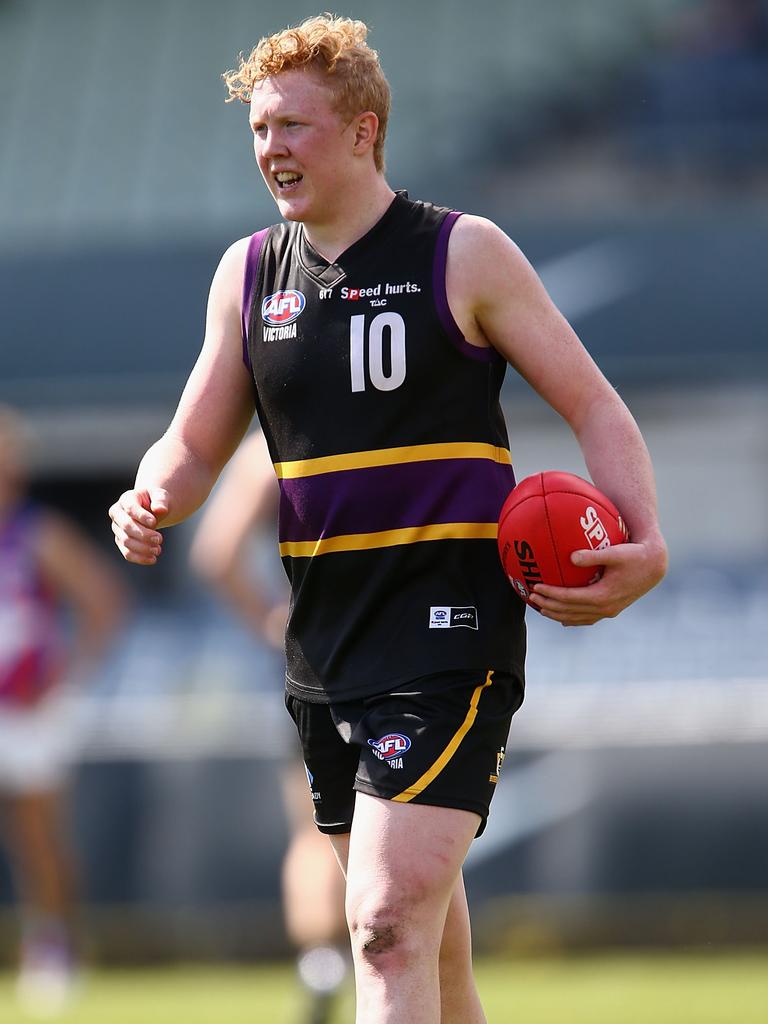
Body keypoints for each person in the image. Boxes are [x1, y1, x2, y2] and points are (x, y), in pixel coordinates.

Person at [108, 15, 668, 1023]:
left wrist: (645, 541)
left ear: (364, 131)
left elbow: (596, 406)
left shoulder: (463, 252)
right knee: (431, 953)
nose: (271, 146)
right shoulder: (247, 277)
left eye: (293, 124)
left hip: (451, 632)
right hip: (326, 644)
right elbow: (189, 446)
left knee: (381, 922)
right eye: (259, 128)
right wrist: (149, 495)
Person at [189, 429, 348, 1024]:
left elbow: (216, 552)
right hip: (387, 645)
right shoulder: (344, 424)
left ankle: (322, 961)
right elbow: (218, 552)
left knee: (315, 827)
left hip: (313, 654)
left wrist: (271, 622)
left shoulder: (271, 445)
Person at [0, 405, 127, 1016]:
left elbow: (103, 599)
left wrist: (69, 671)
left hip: (26, 708)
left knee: (36, 834)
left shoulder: (35, 533)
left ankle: (54, 946)